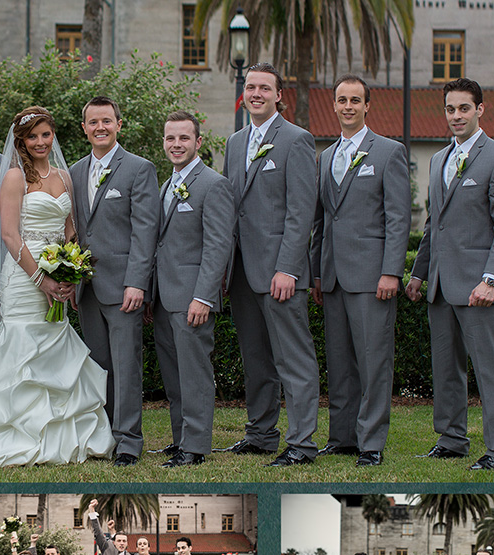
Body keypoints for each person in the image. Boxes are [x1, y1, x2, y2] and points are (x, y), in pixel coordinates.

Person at [0, 106, 114, 466]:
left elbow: (70, 230)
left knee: (55, 343)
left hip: (59, 273)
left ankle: (60, 435)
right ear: (21, 141)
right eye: (32, 136)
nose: (40, 142)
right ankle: (10, 432)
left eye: (45, 134)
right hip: (23, 276)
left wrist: (70, 274)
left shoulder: (66, 178)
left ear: (54, 135)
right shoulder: (14, 179)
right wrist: (42, 279)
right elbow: (9, 235)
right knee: (20, 344)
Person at [406, 78, 494, 470]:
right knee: (446, 370)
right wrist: (419, 275)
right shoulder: (438, 160)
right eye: (450, 109)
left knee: (491, 371)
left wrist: (491, 280)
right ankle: (452, 438)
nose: (456, 116)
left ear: (480, 110)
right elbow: (434, 225)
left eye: (464, 109)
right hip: (439, 285)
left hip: (477, 287)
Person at [221, 62, 320, 467]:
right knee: (255, 358)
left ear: (280, 95)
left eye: (265, 87)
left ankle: (301, 443)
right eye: (251, 87)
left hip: (281, 273)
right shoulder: (234, 142)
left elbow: (301, 212)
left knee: (293, 359)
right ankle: (261, 433)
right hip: (242, 272)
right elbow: (231, 208)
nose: (256, 93)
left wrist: (289, 269)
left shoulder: (296, 140)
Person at [310, 75, 411, 467]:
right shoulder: (325, 156)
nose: (348, 106)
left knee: (373, 362)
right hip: (333, 277)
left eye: (356, 100)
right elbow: (320, 222)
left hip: (373, 277)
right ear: (333, 106)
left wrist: (391, 272)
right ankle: (342, 436)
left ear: (368, 105)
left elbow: (398, 219)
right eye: (341, 100)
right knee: (340, 363)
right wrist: (317, 272)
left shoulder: (388, 152)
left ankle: (371, 443)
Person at [69, 96, 160, 467]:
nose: (100, 128)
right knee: (98, 367)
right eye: (93, 122)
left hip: (124, 287)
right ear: (84, 128)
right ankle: (103, 435)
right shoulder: (73, 172)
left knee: (126, 367)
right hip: (87, 288)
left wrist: (137, 282)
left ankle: (128, 441)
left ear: (119, 125)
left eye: (107, 121)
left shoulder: (139, 169)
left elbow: (145, 232)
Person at [152, 111, 234, 468]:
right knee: (174, 376)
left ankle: (196, 447)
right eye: (171, 139)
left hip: (192, 298)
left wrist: (203, 296)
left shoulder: (213, 184)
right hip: (164, 296)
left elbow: (218, 246)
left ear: (198, 142)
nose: (176, 145)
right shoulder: (165, 185)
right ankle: (180, 439)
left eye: (184, 138)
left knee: (195, 375)